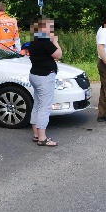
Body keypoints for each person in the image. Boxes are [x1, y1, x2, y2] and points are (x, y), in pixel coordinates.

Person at [28, 17, 62, 147]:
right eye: (50, 27)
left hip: (35, 75)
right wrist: (56, 42)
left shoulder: (34, 41)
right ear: (42, 28)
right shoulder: (45, 41)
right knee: (45, 107)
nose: (52, 29)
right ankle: (42, 137)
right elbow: (58, 54)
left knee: (37, 104)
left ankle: (36, 134)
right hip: (45, 77)